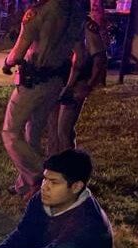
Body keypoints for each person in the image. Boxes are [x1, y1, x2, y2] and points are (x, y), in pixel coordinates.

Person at [1, 0, 87, 199]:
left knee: (10, 133)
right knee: (33, 132)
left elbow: (17, 53)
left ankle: (43, 173)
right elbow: (80, 56)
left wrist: (6, 63)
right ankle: (26, 185)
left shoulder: (36, 13)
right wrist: (70, 84)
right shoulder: (76, 13)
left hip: (32, 81)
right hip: (56, 82)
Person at [47, 4, 107, 155]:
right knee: (53, 130)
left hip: (75, 85)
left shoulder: (86, 26)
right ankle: (54, 166)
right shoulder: (63, 24)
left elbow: (99, 59)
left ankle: (69, 169)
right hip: (58, 82)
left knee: (64, 130)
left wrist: (89, 85)